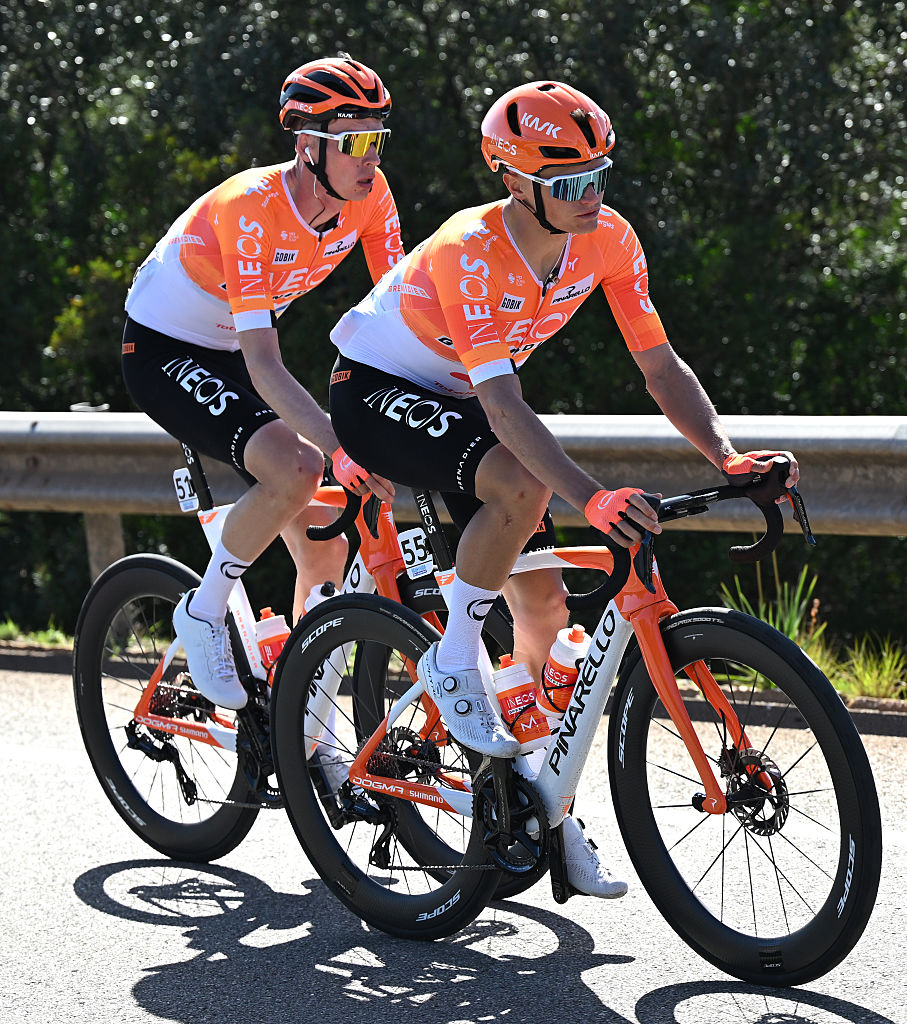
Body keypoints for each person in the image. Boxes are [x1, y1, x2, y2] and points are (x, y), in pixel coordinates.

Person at [328, 80, 799, 897]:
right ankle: (451, 657)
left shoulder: (608, 239)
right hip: (377, 390)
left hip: (468, 405)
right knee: (519, 483)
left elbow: (658, 365)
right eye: (570, 182)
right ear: (514, 180)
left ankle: (541, 808)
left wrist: (726, 458)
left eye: (600, 175)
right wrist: (593, 497)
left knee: (545, 618)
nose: (591, 197)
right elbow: (505, 405)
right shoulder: (469, 249)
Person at [122, 56, 399, 712]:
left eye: (377, 139)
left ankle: (303, 717)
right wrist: (339, 444)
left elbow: (397, 313)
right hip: (164, 350)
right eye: (354, 140)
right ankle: (203, 612)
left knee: (328, 539)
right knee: (299, 468)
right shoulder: (252, 205)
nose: (370, 159)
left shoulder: (372, 198)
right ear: (308, 145)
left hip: (232, 351)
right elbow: (264, 363)